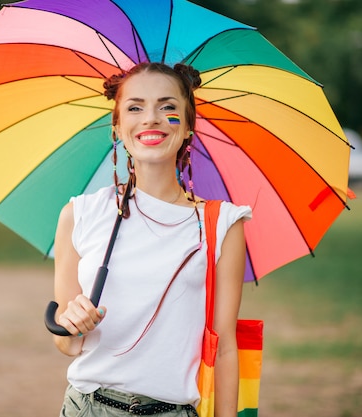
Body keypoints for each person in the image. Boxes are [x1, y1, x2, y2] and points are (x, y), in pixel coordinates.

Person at [51, 62, 251, 417]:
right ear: (118, 128)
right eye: (135, 107)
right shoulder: (80, 215)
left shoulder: (222, 224)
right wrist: (72, 323)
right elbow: (66, 345)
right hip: (88, 407)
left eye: (168, 107)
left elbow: (224, 349)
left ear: (188, 127)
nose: (151, 119)